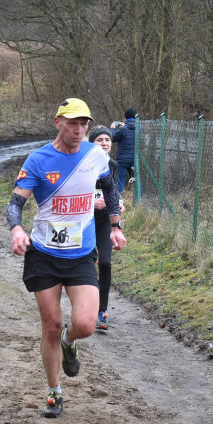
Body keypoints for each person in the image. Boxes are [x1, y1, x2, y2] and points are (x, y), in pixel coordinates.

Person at [7, 98, 126, 418]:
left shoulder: (95, 156)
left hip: (81, 253)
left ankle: (69, 343)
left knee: (85, 324)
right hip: (44, 254)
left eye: (84, 124)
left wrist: (115, 227)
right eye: (73, 123)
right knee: (51, 325)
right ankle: (54, 392)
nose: (79, 130)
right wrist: (17, 229)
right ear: (57, 122)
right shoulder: (38, 160)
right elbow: (15, 203)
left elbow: (110, 190)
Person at [88, 126, 127, 330]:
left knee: (105, 261)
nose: (104, 143)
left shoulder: (112, 165)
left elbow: (114, 192)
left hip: (104, 221)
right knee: (86, 264)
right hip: (82, 221)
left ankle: (101, 312)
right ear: (91, 143)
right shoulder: (82, 164)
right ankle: (85, 308)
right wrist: (90, 203)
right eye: (99, 140)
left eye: (107, 140)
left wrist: (119, 204)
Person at [110, 109, 137, 194]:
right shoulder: (140, 128)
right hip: (135, 159)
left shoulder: (122, 129)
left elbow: (113, 138)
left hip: (123, 160)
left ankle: (120, 199)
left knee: (120, 181)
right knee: (136, 181)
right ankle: (138, 199)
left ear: (125, 118)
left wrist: (112, 129)